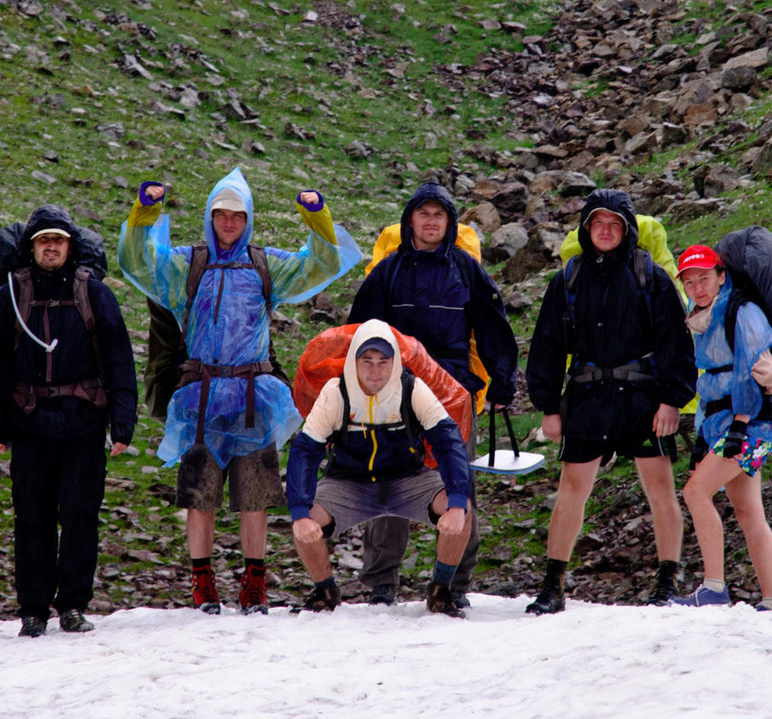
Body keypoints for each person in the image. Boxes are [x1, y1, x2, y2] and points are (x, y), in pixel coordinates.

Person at [118, 166, 361, 613]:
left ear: (248, 219)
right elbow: (137, 263)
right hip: (201, 399)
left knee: (256, 497)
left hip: (254, 398)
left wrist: (318, 217)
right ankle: (202, 584)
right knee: (199, 497)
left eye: (236, 216)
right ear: (210, 218)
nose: (228, 223)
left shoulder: (265, 265)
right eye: (220, 215)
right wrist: (145, 210)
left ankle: (254, 585)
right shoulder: (186, 266)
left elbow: (322, 265)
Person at [523, 189, 696, 613]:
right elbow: (546, 346)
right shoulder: (567, 279)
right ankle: (553, 586)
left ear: (627, 230)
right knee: (571, 489)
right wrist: (548, 406)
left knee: (660, 488)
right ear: (585, 228)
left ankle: (667, 580)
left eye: (614, 223)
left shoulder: (652, 278)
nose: (605, 230)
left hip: (643, 397)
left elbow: (676, 342)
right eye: (597, 222)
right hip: (586, 396)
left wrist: (672, 401)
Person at [346, 182, 517, 607]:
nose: (430, 221)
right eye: (423, 214)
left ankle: (453, 584)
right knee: (387, 480)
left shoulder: (466, 269)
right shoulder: (388, 271)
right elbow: (357, 332)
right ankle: (382, 584)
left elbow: (494, 324)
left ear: (449, 222)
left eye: (438, 215)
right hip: (392, 391)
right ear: (410, 221)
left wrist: (502, 379)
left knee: (457, 483)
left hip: (452, 391)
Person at [0, 205, 137, 637]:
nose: (52, 247)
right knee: (31, 516)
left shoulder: (96, 294)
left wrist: (121, 422)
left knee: (81, 513)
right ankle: (33, 609)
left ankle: (72, 604)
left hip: (84, 423)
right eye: (44, 241)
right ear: (31, 247)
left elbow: (120, 359)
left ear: (71, 246)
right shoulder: (8, 296)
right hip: (30, 424)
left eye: (59, 241)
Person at [286, 320, 474, 617]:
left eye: (383, 363)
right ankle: (325, 590)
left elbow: (449, 443)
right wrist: (298, 512)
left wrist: (458, 502)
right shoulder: (336, 393)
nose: (375, 372)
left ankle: (441, 590)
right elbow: (304, 452)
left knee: (461, 507)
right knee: (304, 520)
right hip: (349, 483)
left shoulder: (411, 388)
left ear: (395, 362)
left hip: (407, 479)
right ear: (354, 361)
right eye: (367, 362)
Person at [672, 244, 772, 610]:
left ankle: (714, 588)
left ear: (722, 276)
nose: (698, 288)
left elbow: (748, 372)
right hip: (730, 424)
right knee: (748, 510)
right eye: (690, 282)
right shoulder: (703, 317)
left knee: (695, 493)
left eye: (704, 278)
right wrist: (703, 436)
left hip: (751, 426)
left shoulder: (742, 313)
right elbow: (711, 385)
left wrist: (739, 425)